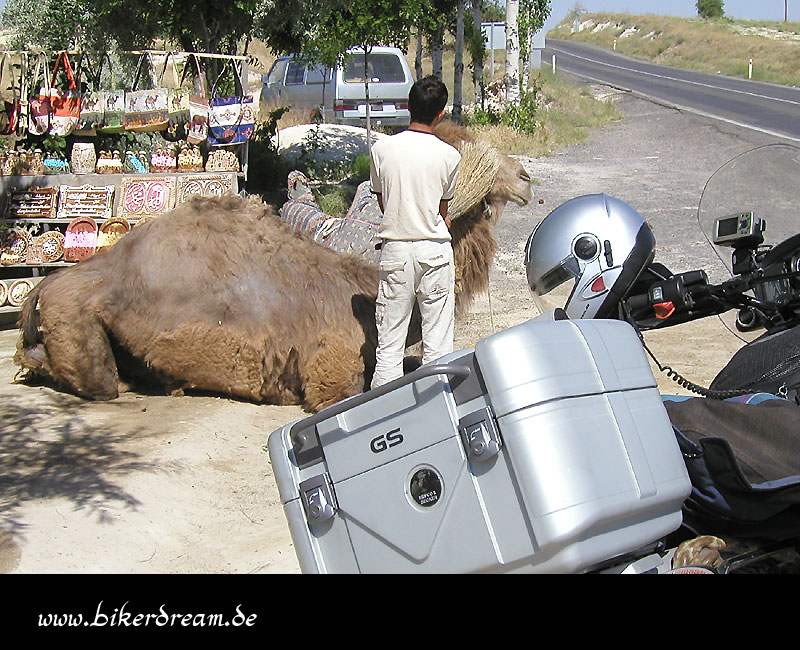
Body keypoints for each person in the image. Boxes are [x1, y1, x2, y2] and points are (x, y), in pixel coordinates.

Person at [369, 75, 462, 389]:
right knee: (437, 345)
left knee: (390, 346)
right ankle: (435, 411)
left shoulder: (382, 149)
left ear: (407, 106)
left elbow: (384, 201)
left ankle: (382, 418)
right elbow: (442, 209)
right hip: (434, 253)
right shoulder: (450, 157)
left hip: (395, 251)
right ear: (440, 115)